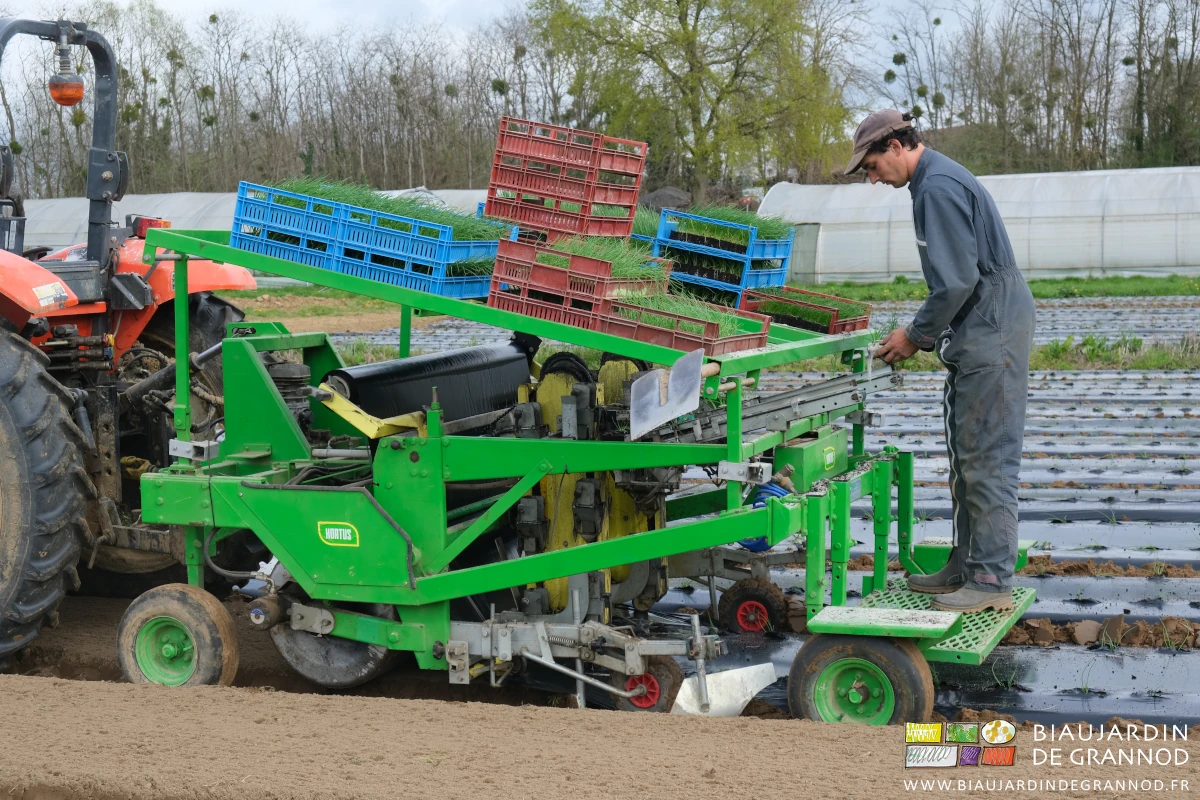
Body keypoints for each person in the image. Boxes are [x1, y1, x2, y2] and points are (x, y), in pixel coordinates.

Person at [845, 110, 1035, 613]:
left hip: (991, 329)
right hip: (979, 328)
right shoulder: (930, 183)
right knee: (965, 454)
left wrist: (915, 335)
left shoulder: (937, 187)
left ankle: (990, 580)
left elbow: (956, 282)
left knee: (986, 458)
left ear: (894, 145)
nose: (872, 177)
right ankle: (966, 563)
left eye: (870, 165)